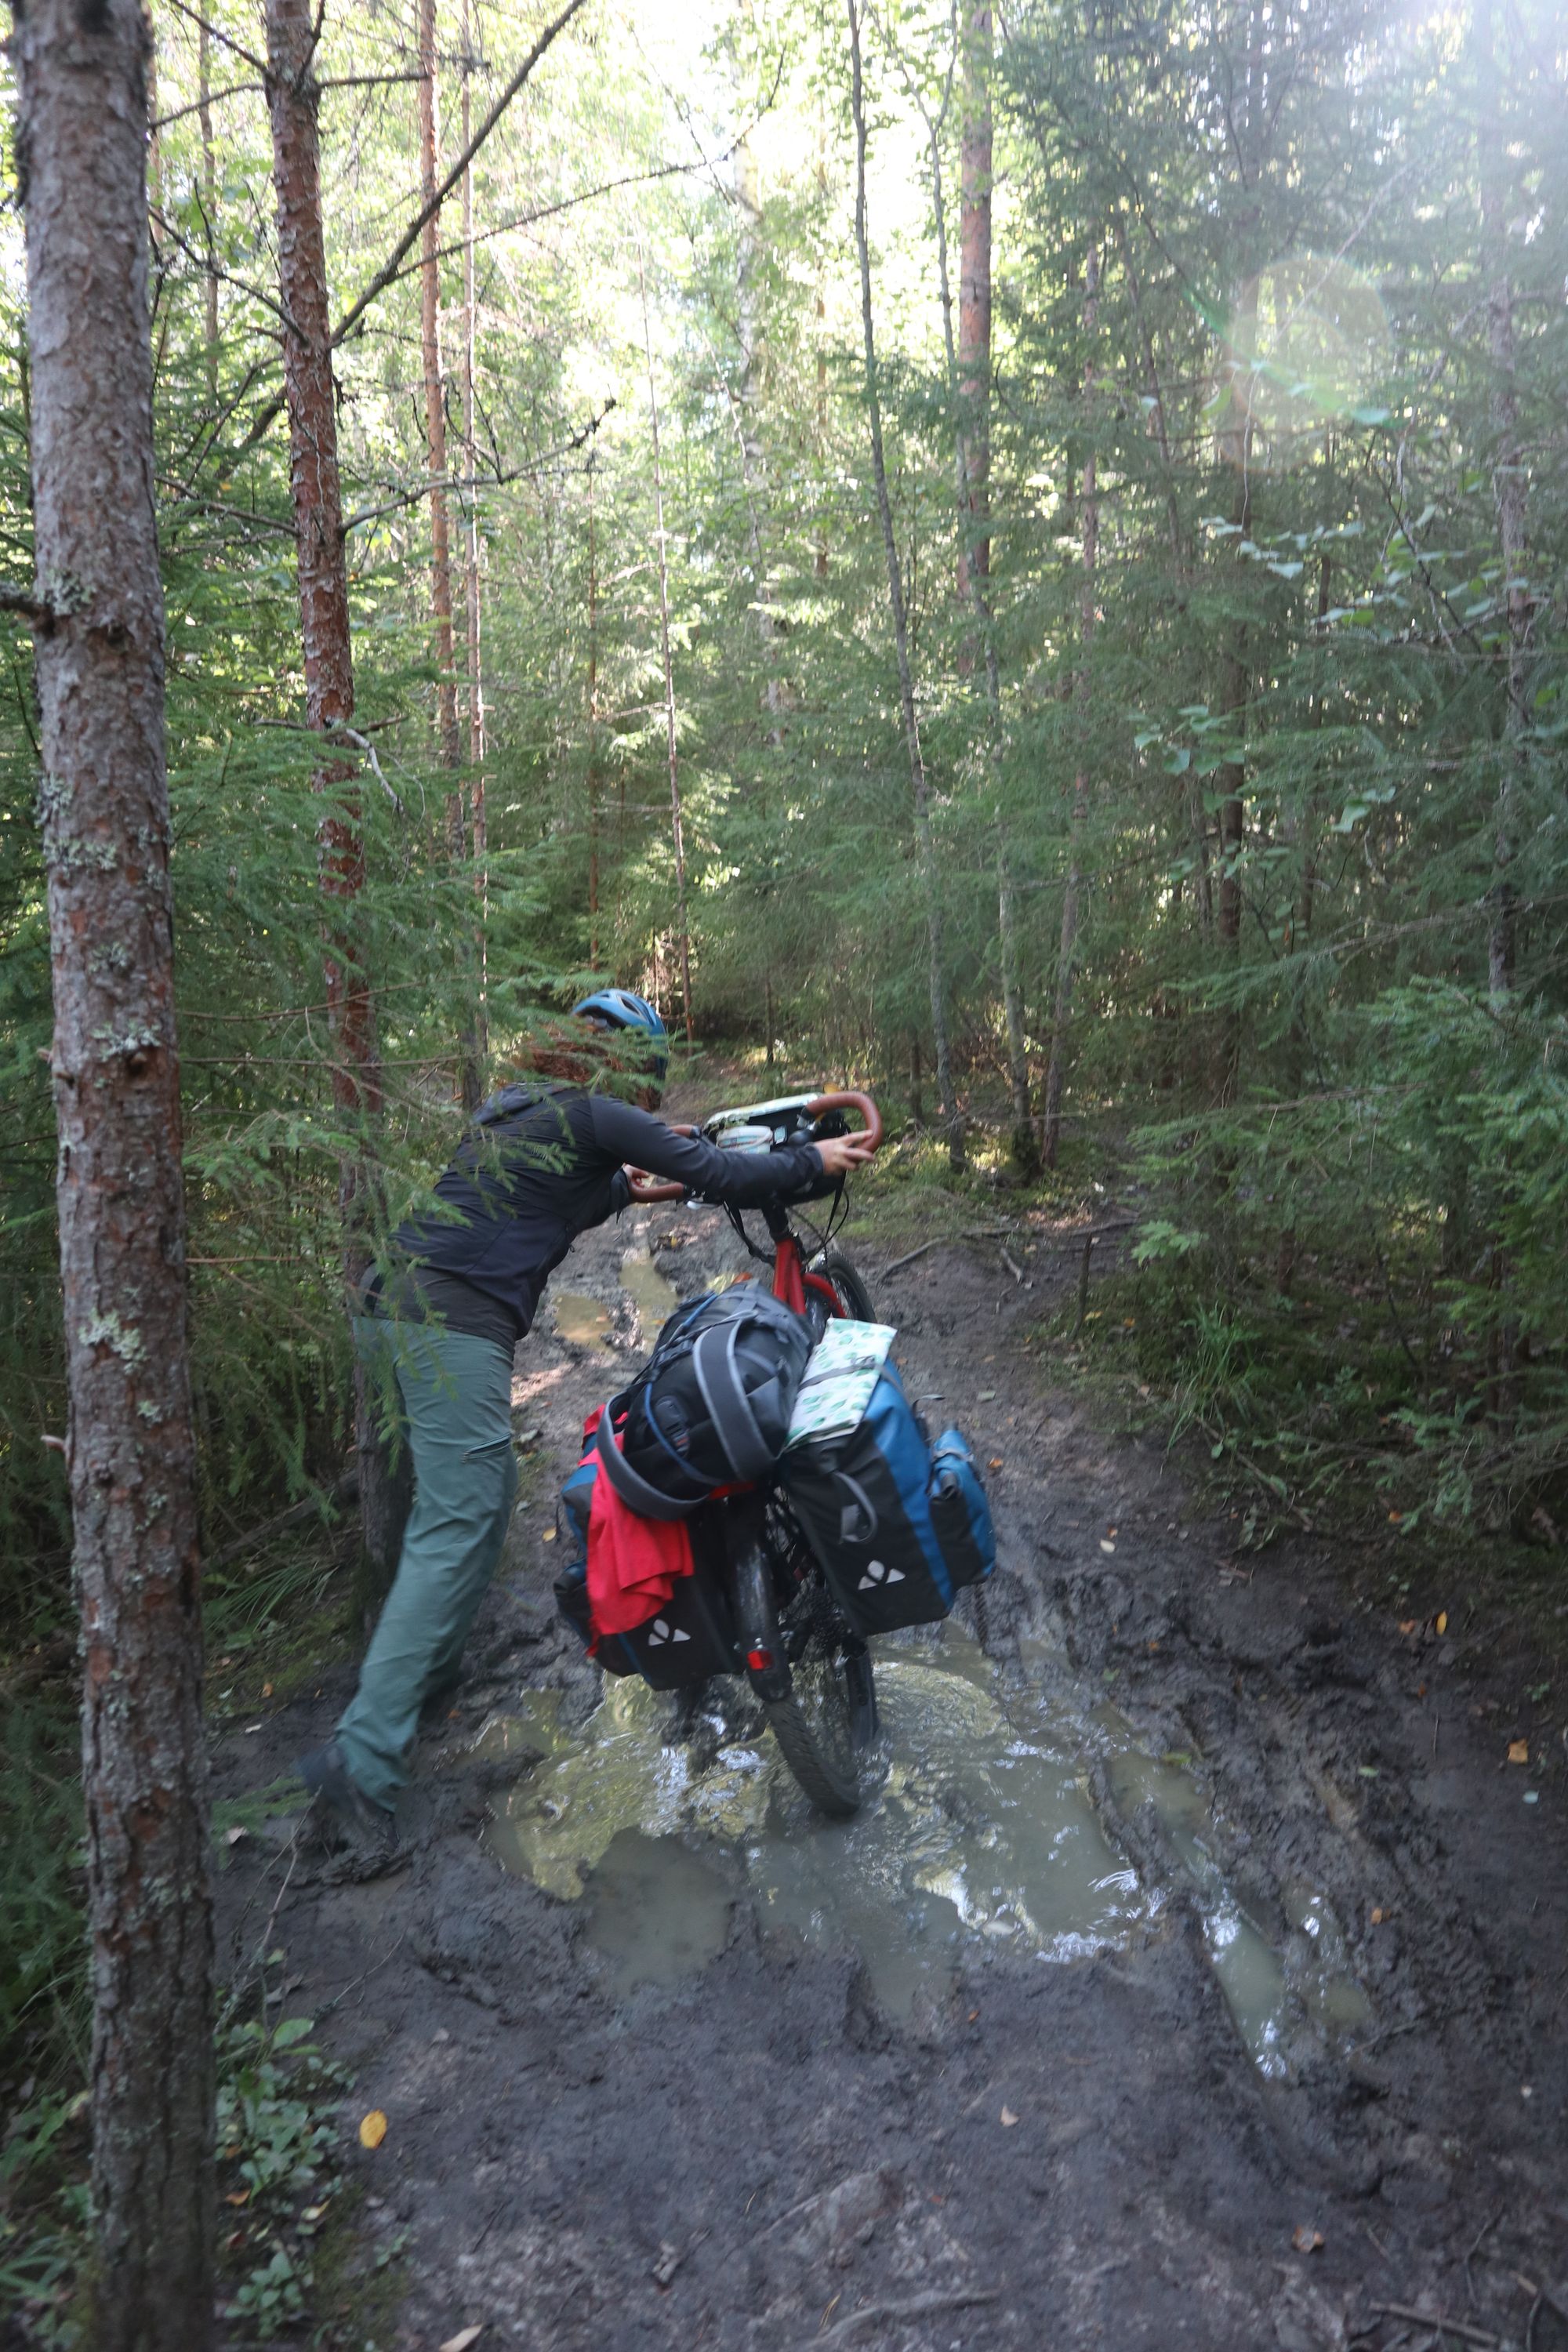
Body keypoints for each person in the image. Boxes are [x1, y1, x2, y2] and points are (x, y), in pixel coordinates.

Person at [298, 990, 874, 1847]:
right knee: (457, 1522)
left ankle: (424, 1675)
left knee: (477, 1500)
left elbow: (571, 1194)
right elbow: (714, 1175)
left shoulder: (515, 1111)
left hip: (392, 1310)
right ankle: (360, 1767)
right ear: (628, 1065)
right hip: (447, 1325)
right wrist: (811, 1164)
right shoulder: (592, 1113)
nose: (644, 1091)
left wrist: (639, 1183)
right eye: (646, 1074)